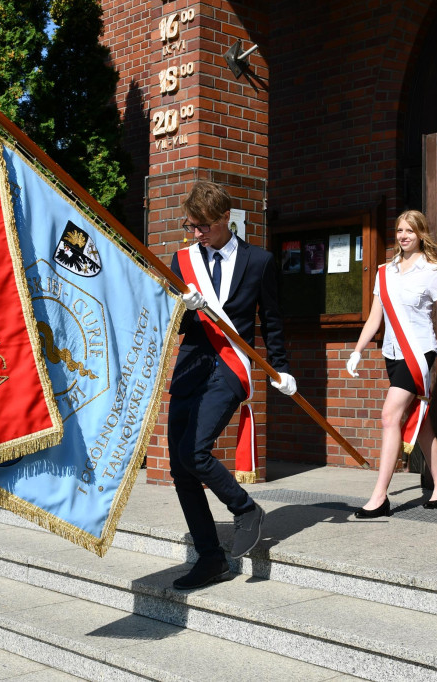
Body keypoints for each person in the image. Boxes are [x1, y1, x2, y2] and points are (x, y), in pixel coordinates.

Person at [168, 181, 297, 589]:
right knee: (180, 467)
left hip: (230, 366)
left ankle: (245, 509)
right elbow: (177, 326)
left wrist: (281, 368)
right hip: (192, 365)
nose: (196, 234)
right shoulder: (182, 259)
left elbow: (271, 320)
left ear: (226, 219)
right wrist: (184, 310)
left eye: (202, 226)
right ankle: (209, 558)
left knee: (196, 450)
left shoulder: (259, 261)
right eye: (190, 226)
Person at [345, 210, 437, 518]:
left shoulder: (433, 271)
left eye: (410, 230)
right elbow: (375, 316)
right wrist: (357, 350)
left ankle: (379, 496)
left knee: (390, 416)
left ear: (421, 234)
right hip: (392, 353)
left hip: (420, 353)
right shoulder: (384, 272)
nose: (403, 235)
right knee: (420, 422)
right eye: (399, 230)